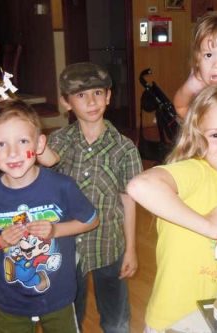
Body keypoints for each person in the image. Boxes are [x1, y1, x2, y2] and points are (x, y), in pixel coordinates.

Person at [127, 85, 217, 332]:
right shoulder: (196, 171)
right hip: (174, 321)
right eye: (215, 135)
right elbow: (141, 186)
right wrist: (210, 226)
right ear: (196, 137)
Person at [0, 99, 99, 333]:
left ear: (39, 144)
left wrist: (55, 230)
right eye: (1, 144)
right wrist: (1, 241)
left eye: (22, 141)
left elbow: (91, 220)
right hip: (10, 303)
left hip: (59, 299)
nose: (13, 152)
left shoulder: (62, 186)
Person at [48, 62, 143, 332]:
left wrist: (131, 249)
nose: (91, 101)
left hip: (109, 245)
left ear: (109, 96)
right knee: (70, 315)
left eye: (98, 93)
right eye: (80, 95)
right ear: (66, 102)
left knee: (116, 318)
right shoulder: (57, 143)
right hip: (66, 248)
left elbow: (128, 200)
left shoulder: (124, 149)